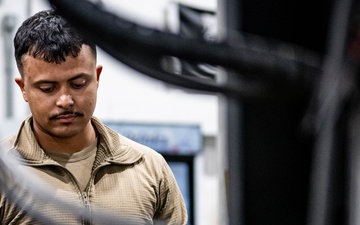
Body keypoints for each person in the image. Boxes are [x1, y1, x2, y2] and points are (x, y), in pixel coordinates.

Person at [0, 9, 188, 225]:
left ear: (96, 77)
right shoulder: (5, 174)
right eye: (48, 88)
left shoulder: (148, 168)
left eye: (78, 84)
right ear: (23, 88)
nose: (65, 100)